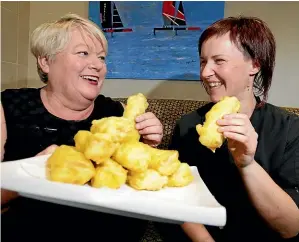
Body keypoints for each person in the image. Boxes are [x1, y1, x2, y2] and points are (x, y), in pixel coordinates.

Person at [1, 14, 163, 242]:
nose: (98, 65)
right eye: (83, 53)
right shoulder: (7, 107)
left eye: (102, 57)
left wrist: (148, 147)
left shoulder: (119, 112)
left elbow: (144, 189)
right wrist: (32, 173)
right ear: (46, 62)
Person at [155, 16, 299, 242]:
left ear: (254, 64)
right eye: (203, 62)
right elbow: (177, 198)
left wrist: (248, 164)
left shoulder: (289, 129)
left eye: (218, 61)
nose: (204, 73)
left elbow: (291, 227)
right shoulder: (188, 125)